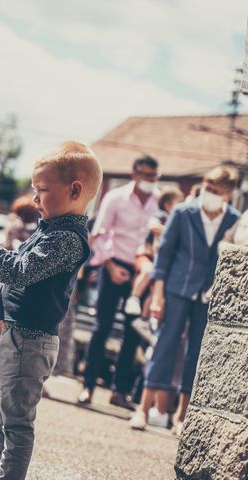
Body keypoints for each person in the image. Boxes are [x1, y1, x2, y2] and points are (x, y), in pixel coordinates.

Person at [0, 142, 102, 480]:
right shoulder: (52, 229)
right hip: (19, 337)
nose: (35, 199)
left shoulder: (67, 238)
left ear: (75, 190)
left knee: (17, 424)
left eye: (43, 190)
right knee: (2, 417)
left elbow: (17, 271)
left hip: (30, 343)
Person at [130, 167, 240, 433]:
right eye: (209, 188)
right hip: (176, 290)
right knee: (164, 346)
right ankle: (142, 410)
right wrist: (157, 296)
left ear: (228, 194)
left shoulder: (233, 220)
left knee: (197, 354)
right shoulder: (183, 212)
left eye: (218, 191)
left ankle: (181, 417)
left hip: (207, 297)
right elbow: (164, 256)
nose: (211, 194)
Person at [78, 155, 160, 409]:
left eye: (153, 176)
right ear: (134, 174)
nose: (149, 181)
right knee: (101, 327)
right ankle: (88, 386)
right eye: (145, 175)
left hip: (142, 271)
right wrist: (110, 266)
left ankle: (119, 391)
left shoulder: (158, 202)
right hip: (114, 265)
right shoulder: (115, 198)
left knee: (133, 331)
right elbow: (100, 233)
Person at [0, 195, 39, 356]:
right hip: (23, 276)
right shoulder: (35, 230)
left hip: (8, 272)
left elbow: (6, 244)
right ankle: (1, 344)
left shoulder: (14, 225)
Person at [124, 186, 184, 317]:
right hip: (146, 255)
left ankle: (145, 318)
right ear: (167, 205)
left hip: (159, 261)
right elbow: (152, 225)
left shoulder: (178, 222)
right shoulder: (162, 216)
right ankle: (133, 298)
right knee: (148, 271)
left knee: (154, 293)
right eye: (179, 203)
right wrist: (172, 233)